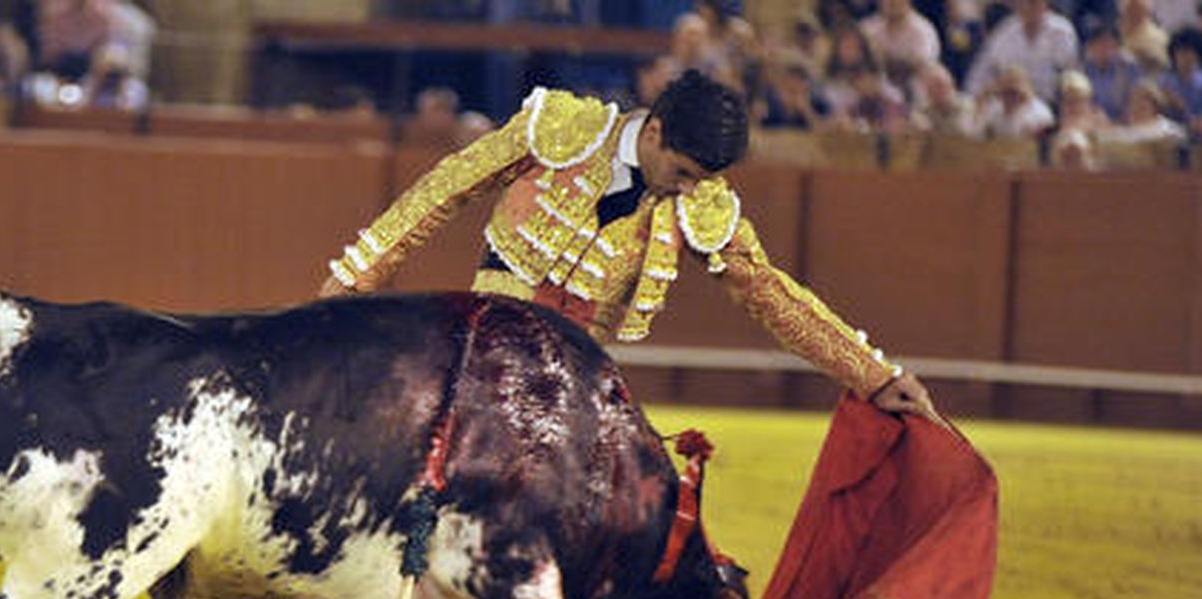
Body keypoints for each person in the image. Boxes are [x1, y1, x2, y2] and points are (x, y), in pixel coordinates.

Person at [319, 70, 936, 418]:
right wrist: (357, 275)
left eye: (702, 179)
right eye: (685, 172)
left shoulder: (700, 197)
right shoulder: (562, 128)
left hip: (581, 372)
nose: (688, 190)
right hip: (493, 341)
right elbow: (443, 191)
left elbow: (769, 291)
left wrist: (873, 374)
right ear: (657, 131)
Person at [965, 0, 1081, 101]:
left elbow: (1072, 75)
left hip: (1051, 104)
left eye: (1032, 2)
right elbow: (979, 74)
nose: (1026, 7)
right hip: (1010, 103)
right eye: (1021, 2)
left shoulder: (1062, 32)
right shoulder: (1004, 32)